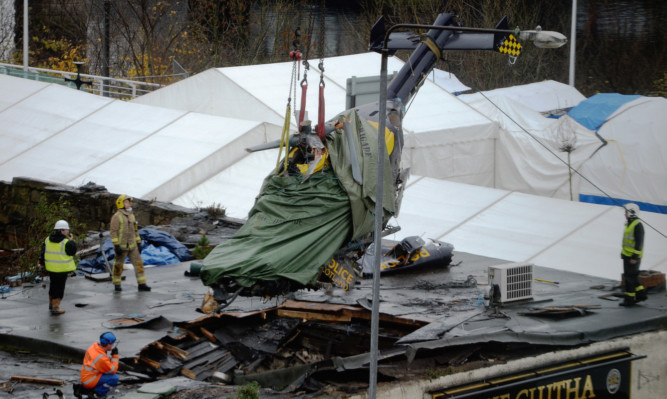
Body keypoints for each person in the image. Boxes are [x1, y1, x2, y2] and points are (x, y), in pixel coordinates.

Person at [110, 195, 151, 292]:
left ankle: (142, 284)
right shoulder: (116, 216)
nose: (128, 204)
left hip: (133, 246)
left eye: (128, 202)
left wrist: (139, 242)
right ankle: (117, 284)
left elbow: (135, 230)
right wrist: (116, 245)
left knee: (139, 265)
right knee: (118, 266)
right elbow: (113, 232)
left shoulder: (131, 215)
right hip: (122, 247)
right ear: (121, 204)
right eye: (126, 202)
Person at [39, 219, 77, 315]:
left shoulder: (47, 239)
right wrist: (71, 241)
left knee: (53, 286)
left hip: (51, 268)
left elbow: (43, 253)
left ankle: (51, 304)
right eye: (66, 230)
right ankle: (55, 307)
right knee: (59, 288)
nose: (68, 232)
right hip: (61, 269)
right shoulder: (66, 242)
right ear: (62, 231)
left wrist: (42, 263)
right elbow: (72, 252)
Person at [620, 203, 647, 307]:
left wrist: (634, 257)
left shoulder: (637, 226)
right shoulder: (629, 224)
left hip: (632, 257)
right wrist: (623, 253)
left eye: (626, 212)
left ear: (631, 213)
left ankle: (629, 300)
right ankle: (641, 295)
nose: (624, 214)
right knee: (633, 277)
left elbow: (639, 243)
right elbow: (626, 241)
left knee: (629, 279)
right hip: (627, 255)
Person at [78, 332, 119, 398]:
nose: (113, 345)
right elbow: (113, 370)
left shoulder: (93, 347)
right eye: (112, 343)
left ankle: (86, 389)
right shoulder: (101, 358)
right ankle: (98, 393)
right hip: (89, 380)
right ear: (108, 344)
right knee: (114, 378)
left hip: (86, 376)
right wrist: (115, 356)